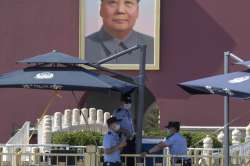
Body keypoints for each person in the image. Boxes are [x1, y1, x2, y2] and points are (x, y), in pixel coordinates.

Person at [85, 0, 154, 64]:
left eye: (128, 3)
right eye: (112, 2)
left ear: (138, 11)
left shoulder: (154, 48)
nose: (120, 10)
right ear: (101, 9)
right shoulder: (83, 47)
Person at [113, 94, 135, 166]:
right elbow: (114, 126)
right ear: (122, 102)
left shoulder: (129, 112)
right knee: (123, 161)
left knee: (131, 161)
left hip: (131, 140)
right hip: (123, 140)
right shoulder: (117, 112)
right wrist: (125, 131)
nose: (128, 104)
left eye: (129, 102)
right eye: (126, 102)